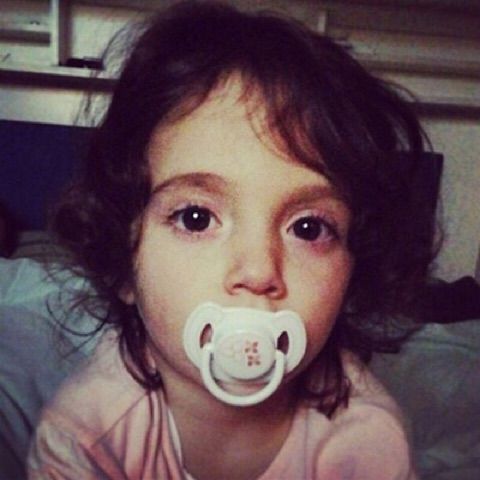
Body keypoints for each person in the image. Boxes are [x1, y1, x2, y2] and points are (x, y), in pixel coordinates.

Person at [28, 1, 434, 478]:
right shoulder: (85, 436)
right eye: (196, 218)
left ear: (353, 272)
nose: (258, 271)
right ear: (124, 263)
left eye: (308, 228)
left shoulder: (365, 446)